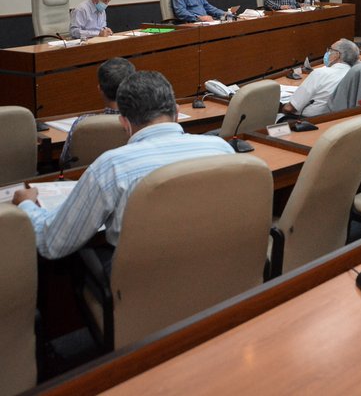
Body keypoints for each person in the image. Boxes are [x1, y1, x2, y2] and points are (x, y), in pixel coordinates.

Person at [13, 71, 235, 260]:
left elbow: (54, 243)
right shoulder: (220, 149)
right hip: (215, 269)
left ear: (124, 123)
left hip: (144, 287)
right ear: (176, 113)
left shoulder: (111, 166)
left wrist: (27, 205)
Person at [60, 57, 136, 167]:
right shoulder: (142, 122)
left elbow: (64, 161)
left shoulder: (82, 123)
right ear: (133, 88)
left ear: (100, 89)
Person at [283, 38, 359, 117]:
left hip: (308, 121)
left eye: (330, 50)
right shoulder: (354, 74)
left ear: (337, 55)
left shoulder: (320, 73)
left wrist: (281, 110)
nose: (327, 53)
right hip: (339, 119)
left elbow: (290, 108)